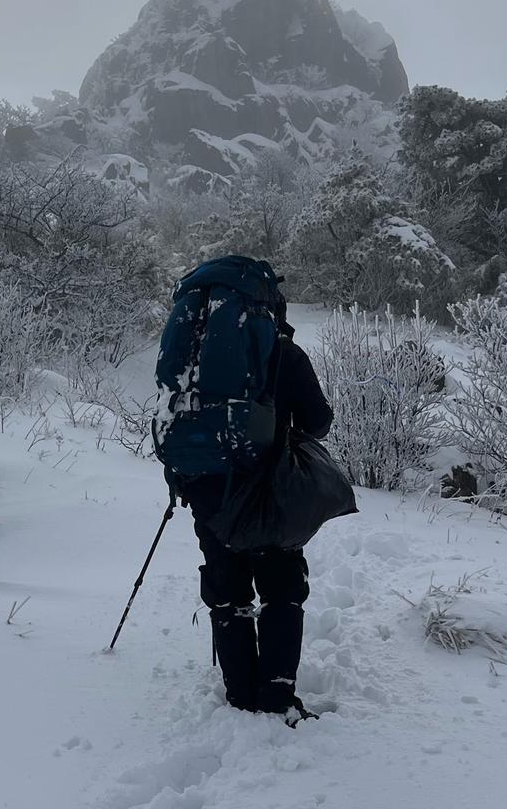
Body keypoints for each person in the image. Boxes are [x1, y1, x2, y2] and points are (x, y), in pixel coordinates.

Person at [176, 295, 333, 723]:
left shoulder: (193, 353)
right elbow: (318, 423)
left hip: (210, 497)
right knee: (282, 593)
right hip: (271, 497)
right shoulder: (285, 353)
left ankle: (240, 694)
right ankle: (276, 696)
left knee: (228, 595)